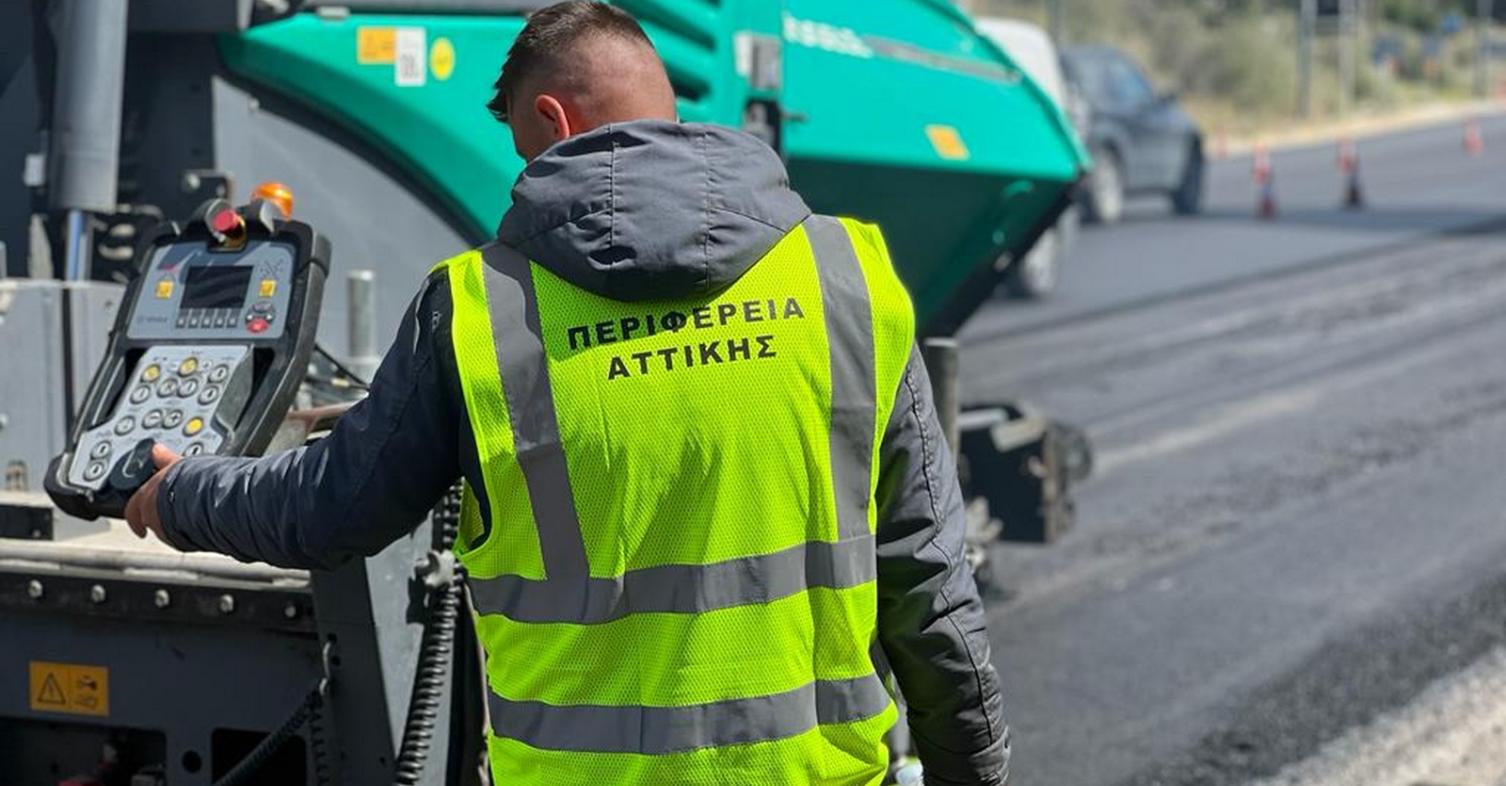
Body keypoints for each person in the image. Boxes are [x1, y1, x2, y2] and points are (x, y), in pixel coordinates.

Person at [123, 2, 1009, 784]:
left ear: (551, 118)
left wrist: (180, 491)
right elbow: (928, 584)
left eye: (519, 149)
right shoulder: (846, 277)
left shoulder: (479, 311)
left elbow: (327, 510)